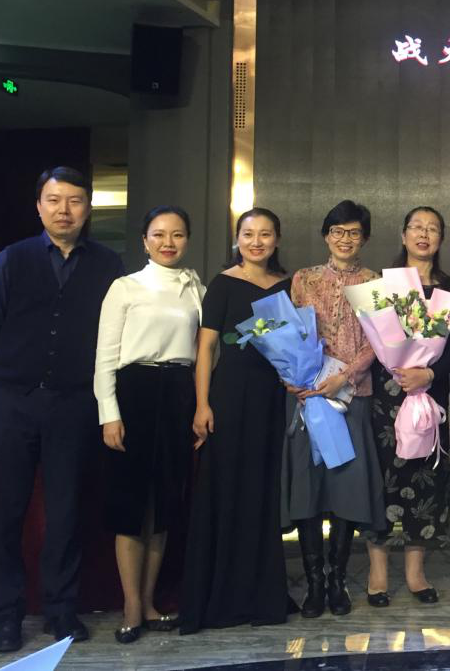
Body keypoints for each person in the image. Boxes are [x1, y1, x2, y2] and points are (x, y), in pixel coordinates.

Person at [0, 167, 124, 653]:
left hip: (74, 403)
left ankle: (61, 610)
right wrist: (19, 373)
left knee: (66, 511)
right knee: (5, 512)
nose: (64, 210)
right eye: (54, 200)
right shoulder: (11, 258)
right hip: (12, 402)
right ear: (39, 206)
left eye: (75, 201)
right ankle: (4, 615)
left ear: (88, 208)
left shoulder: (108, 264)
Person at [94, 206, 205, 643]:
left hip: (178, 393)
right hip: (134, 393)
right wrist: (109, 413)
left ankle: (149, 601)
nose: (168, 242)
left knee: (164, 507)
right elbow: (105, 356)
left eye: (177, 234)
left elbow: (206, 351)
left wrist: (199, 405)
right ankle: (130, 605)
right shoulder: (125, 287)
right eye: (159, 234)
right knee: (130, 505)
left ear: (187, 240)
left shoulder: (195, 287)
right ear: (144, 240)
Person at [179, 208, 293, 634]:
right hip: (228, 396)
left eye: (265, 234)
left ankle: (261, 593)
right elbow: (206, 349)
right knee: (226, 488)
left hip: (272, 397)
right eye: (248, 234)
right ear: (237, 239)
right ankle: (223, 596)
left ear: (276, 239)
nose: (256, 242)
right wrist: (201, 404)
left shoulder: (287, 285)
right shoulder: (223, 284)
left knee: (264, 491)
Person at [282, 201, 386, 618]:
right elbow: (288, 334)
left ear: (364, 238)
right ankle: (314, 582)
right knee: (309, 486)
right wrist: (292, 377)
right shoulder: (304, 279)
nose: (345, 239)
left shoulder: (375, 282)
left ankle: (338, 579)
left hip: (352, 395)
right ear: (326, 235)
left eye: (354, 232)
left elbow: (380, 340)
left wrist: (345, 376)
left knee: (346, 485)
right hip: (308, 396)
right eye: (338, 231)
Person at [367, 207, 450, 606]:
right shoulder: (382, 285)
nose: (424, 234)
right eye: (417, 227)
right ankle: (377, 572)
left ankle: (415, 573)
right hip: (386, 396)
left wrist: (429, 373)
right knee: (383, 478)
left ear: (440, 238)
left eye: (433, 229)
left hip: (428, 394)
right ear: (403, 234)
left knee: (423, 477)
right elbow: (370, 338)